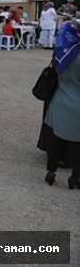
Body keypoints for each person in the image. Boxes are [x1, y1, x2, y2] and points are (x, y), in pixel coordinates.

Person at [44, 20, 80, 188]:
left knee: (56, 139)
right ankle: (75, 177)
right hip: (78, 103)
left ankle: (51, 172)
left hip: (60, 99)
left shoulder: (62, 52)